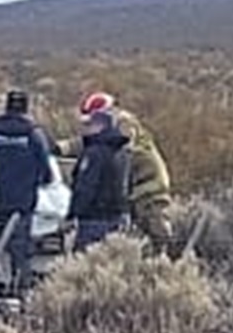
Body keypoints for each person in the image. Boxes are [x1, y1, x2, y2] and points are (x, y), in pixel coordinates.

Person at [0, 87, 54, 294]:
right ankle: (21, 293)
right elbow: (47, 174)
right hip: (22, 206)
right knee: (21, 254)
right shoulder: (34, 135)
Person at [79, 89, 174, 254]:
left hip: (148, 184)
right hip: (136, 186)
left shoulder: (123, 124)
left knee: (156, 231)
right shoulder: (113, 126)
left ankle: (164, 265)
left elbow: (114, 148)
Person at [68, 107, 131, 248]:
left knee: (84, 260)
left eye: (90, 125)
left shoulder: (94, 153)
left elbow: (86, 186)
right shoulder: (121, 152)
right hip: (115, 217)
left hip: (93, 218)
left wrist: (74, 212)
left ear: (100, 126)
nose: (87, 129)